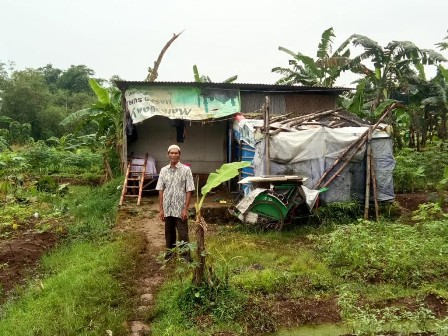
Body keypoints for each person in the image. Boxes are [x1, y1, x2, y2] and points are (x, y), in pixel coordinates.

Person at [155, 144, 195, 261]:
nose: (173, 155)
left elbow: (189, 190)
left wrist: (185, 209)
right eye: (171, 153)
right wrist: (161, 209)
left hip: (180, 209)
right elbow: (161, 190)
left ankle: (185, 258)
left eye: (176, 153)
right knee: (169, 233)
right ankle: (170, 255)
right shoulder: (163, 170)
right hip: (168, 208)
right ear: (168, 155)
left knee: (183, 234)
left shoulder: (186, 170)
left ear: (179, 155)